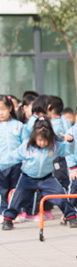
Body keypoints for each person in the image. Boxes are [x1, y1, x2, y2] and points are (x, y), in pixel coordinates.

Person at [0, 117, 77, 230]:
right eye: (39, 140)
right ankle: (8, 219)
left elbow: (68, 150)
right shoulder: (27, 148)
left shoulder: (55, 146)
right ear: (34, 137)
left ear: (50, 138)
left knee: (60, 194)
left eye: (45, 140)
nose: (42, 143)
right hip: (27, 178)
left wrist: (70, 142)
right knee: (17, 196)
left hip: (47, 179)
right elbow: (12, 157)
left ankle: (71, 216)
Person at [0, 95, 24, 223]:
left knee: (15, 189)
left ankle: (15, 212)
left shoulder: (18, 125)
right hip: (1, 164)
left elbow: (25, 143)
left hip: (16, 164)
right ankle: (3, 212)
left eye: (3, 109)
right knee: (2, 190)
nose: (1, 113)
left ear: (10, 108)